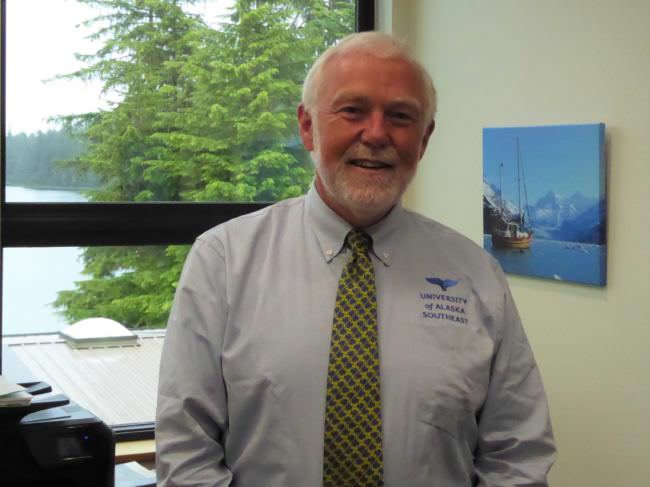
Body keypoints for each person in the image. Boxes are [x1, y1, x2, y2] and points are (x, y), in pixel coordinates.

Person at [156, 32, 555, 486]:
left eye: (401, 117)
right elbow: (186, 450)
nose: (377, 133)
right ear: (308, 126)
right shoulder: (223, 262)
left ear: (424, 139)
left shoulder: (477, 275)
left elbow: (518, 455)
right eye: (353, 111)